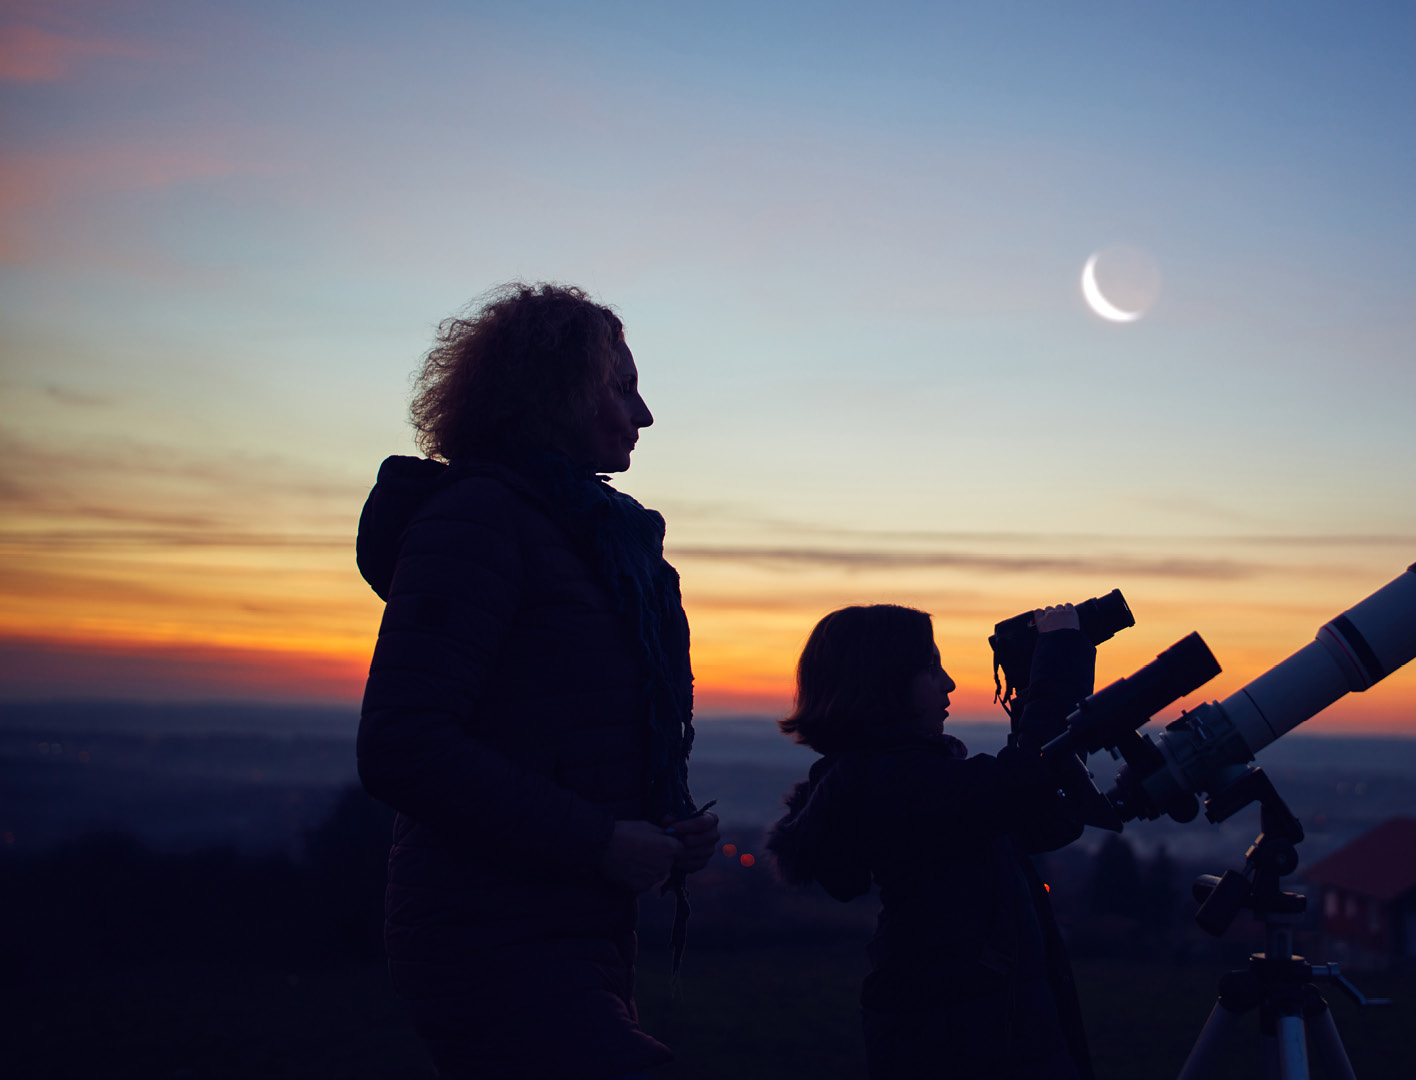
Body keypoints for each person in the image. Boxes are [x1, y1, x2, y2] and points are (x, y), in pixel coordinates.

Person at [355, 282, 719, 1079]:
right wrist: (599, 840)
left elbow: (557, 726)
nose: (645, 414)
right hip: (486, 931)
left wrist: (662, 824)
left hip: (577, 927)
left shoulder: (591, 539)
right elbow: (402, 744)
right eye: (622, 387)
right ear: (560, 391)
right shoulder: (478, 518)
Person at [766, 603, 1098, 1080]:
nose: (949, 684)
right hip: (966, 1042)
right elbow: (1022, 781)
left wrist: (1035, 692)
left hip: (987, 1031)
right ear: (881, 682)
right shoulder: (892, 783)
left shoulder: (906, 778)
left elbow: (1043, 817)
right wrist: (1062, 651)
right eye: (930, 668)